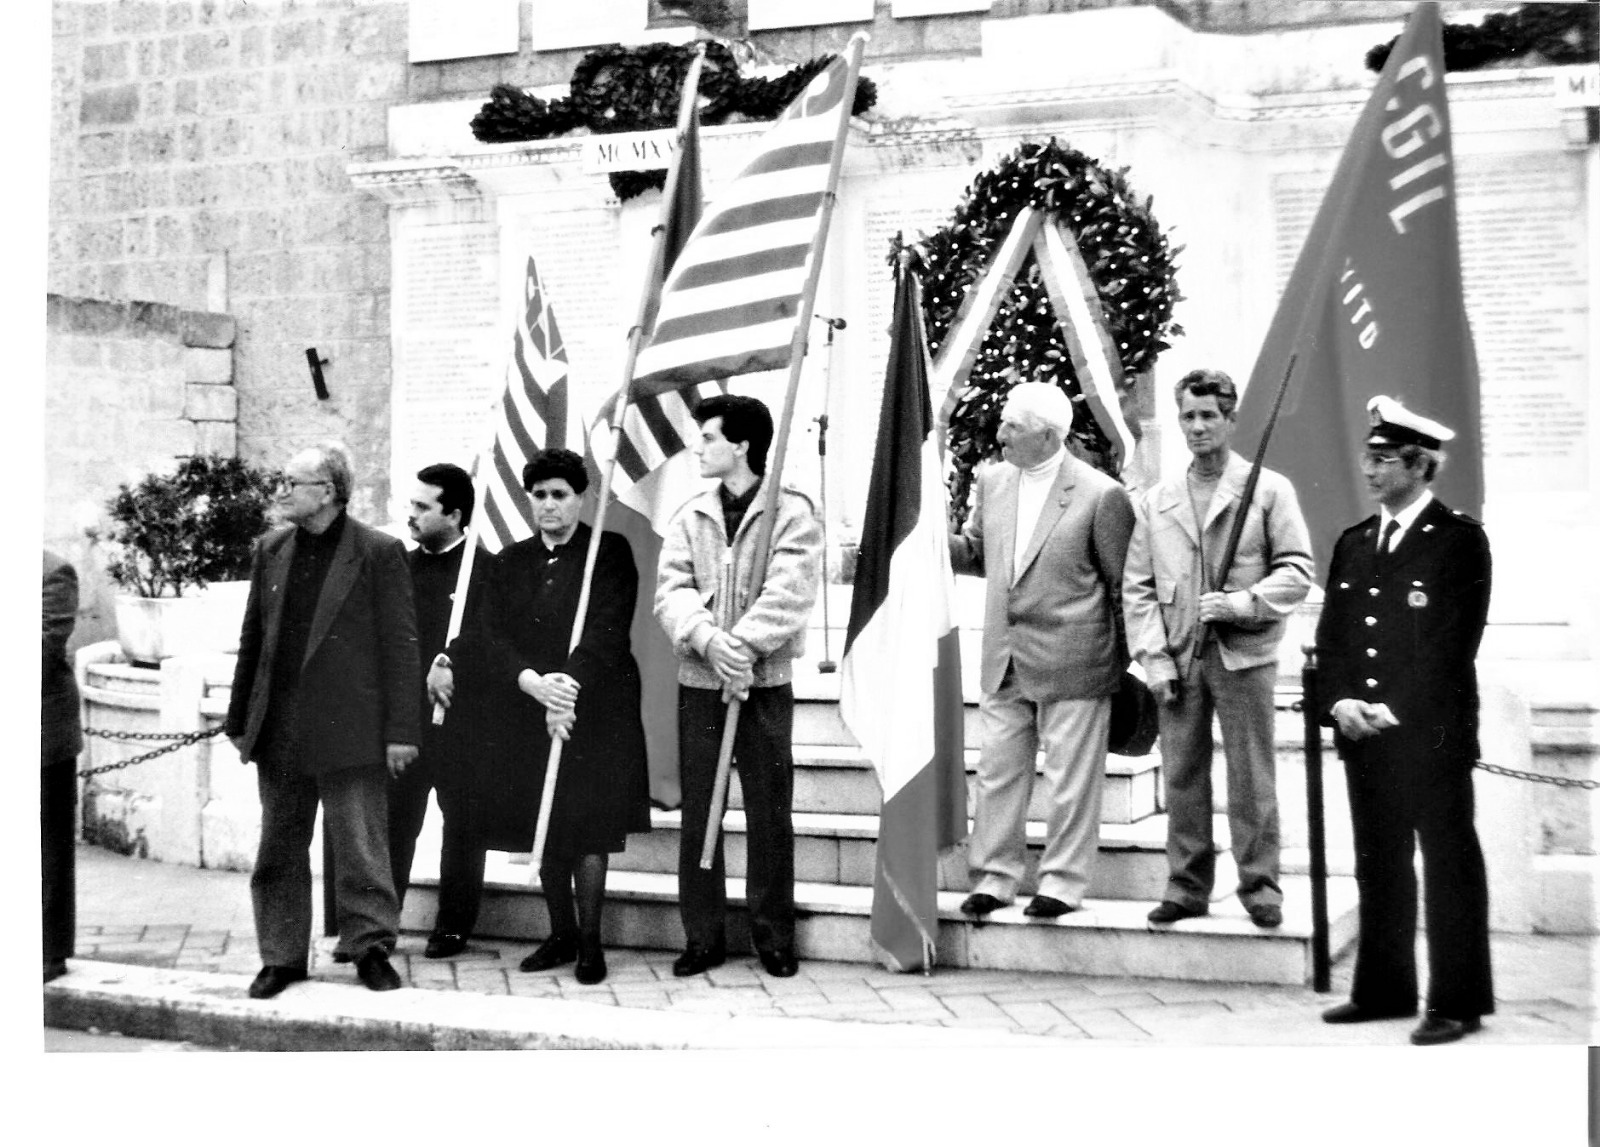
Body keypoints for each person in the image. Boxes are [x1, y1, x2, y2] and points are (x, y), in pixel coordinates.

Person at [1316, 396, 1493, 1046]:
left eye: (1384, 458)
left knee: (1448, 862)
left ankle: (1457, 1000)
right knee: (1379, 861)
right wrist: (1340, 702)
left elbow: (1452, 643)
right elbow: (1334, 639)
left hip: (1430, 736)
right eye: (1369, 456)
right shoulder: (1355, 542)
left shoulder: (1458, 541)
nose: (1368, 468)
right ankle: (1384, 989)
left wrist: (1393, 708)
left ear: (1419, 465)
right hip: (1364, 735)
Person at [445, 448, 650, 985]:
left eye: (560, 494)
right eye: (539, 495)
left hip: (595, 706)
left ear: (580, 498)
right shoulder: (511, 561)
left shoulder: (608, 552)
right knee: (547, 820)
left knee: (588, 825)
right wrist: (532, 682)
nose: (549, 505)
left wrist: (567, 689)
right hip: (529, 706)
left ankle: (591, 942)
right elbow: (490, 634)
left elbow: (608, 627)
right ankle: (561, 932)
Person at [225, 442, 420, 999]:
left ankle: (370, 948)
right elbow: (253, 638)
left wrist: (402, 732)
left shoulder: (377, 552)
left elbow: (401, 647)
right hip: (281, 728)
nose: (282, 491)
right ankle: (281, 957)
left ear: (328, 491)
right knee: (279, 847)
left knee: (360, 846)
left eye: (293, 483)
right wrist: (240, 718)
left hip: (351, 728)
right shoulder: (271, 549)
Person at [1124, 368, 1313, 929]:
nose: (1198, 426)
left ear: (1231, 420)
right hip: (1179, 657)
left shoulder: (1268, 490)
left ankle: (1261, 887)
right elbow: (1137, 588)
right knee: (1182, 775)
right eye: (1189, 416)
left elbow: (1297, 571)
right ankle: (1186, 887)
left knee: (1251, 776)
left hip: (1243, 656)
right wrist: (1154, 660)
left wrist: (1242, 603)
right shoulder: (1157, 501)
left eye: (1209, 415)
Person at [948, 382, 1134, 919]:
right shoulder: (994, 481)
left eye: (1013, 425)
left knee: (1071, 782)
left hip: (1076, 662)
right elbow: (980, 553)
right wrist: (930, 540)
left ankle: (1062, 882)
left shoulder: (1101, 495)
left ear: (1049, 436)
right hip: (1005, 658)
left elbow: (1122, 586)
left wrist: (1118, 661)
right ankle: (994, 877)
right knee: (998, 773)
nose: (1000, 433)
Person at [655, 395, 822, 978]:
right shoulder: (691, 514)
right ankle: (703, 936)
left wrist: (743, 648)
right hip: (701, 684)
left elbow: (791, 590)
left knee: (769, 813)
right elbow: (671, 590)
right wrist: (708, 641)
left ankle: (773, 935)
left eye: (708, 438)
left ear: (742, 445)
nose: (697, 447)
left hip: (763, 684)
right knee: (700, 811)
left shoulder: (791, 510)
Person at [387, 463, 495, 961]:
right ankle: (379, 923)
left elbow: (493, 639)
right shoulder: (399, 567)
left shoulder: (485, 569)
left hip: (464, 726)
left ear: (453, 515)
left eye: (422, 506)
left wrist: (453, 661)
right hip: (407, 725)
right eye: (411, 504)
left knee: (463, 829)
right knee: (394, 824)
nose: (411, 514)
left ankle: (452, 927)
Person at [42, 550, 82, 984]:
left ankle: (49, 951)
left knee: (48, 846)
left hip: (43, 731)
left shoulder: (52, 573)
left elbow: (42, 648)